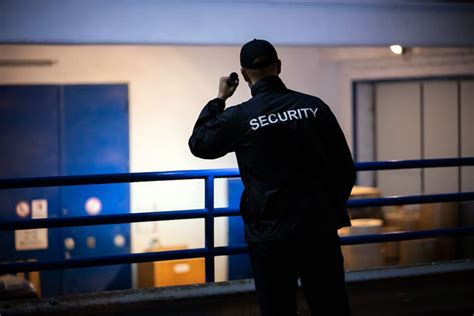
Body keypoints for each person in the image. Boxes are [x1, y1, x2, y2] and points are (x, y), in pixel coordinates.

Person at [189, 39, 356, 316]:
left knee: (277, 309)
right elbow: (345, 169)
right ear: (278, 67)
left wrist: (219, 100)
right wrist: (327, 210)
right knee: (331, 307)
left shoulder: (239, 117)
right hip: (318, 230)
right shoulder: (315, 108)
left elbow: (199, 143)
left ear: (243, 76)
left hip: (270, 236)